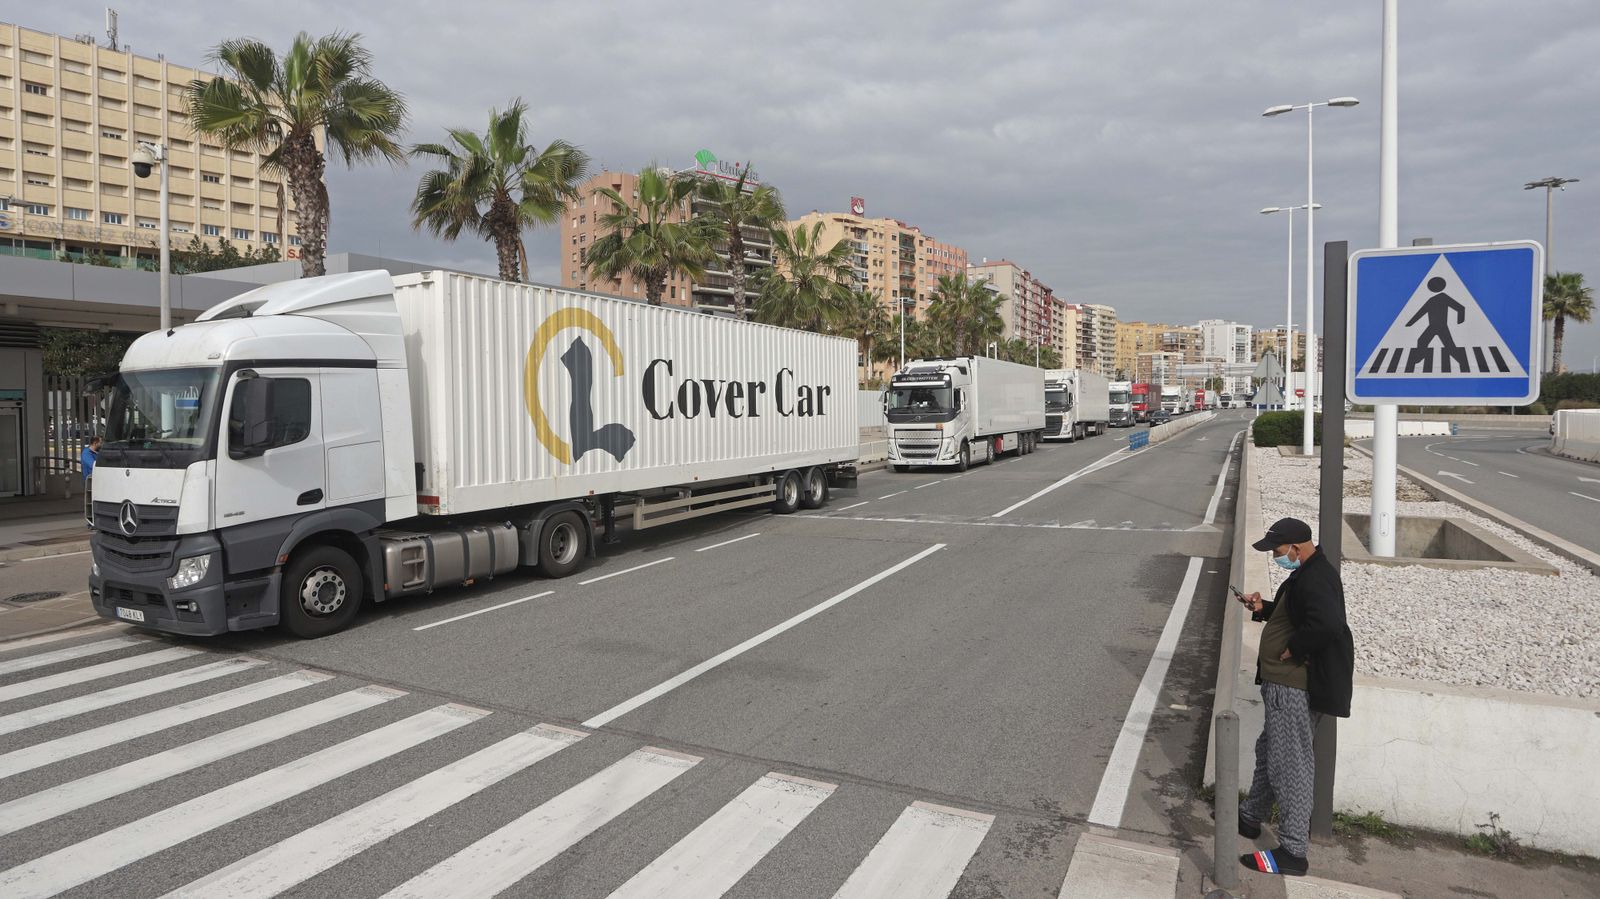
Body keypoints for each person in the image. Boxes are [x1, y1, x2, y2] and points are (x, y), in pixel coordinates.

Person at [1234, 517, 1354, 878]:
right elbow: (1297, 615)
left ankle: (1293, 852)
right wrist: (1264, 609)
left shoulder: (1316, 577)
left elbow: (1328, 624)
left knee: (1291, 765)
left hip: (1293, 686)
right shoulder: (1307, 572)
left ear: (1297, 548)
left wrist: (1292, 650)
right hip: (1283, 684)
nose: (1276, 557)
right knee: (1270, 751)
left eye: (1277, 551)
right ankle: (1250, 818)